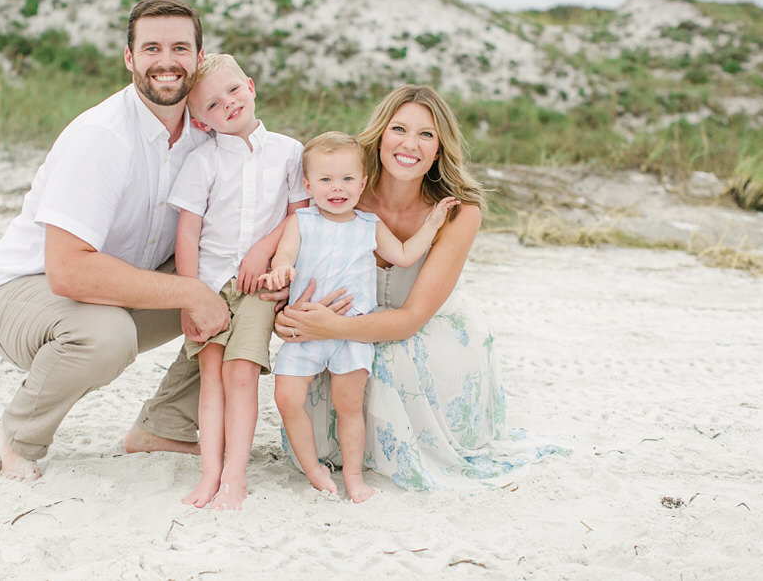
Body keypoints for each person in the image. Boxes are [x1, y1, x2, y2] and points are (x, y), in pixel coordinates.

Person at [0, 0, 287, 481]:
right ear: (130, 58)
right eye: (152, 48)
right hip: (26, 292)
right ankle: (20, 437)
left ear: (198, 58)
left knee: (244, 290)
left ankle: (164, 426)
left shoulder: (207, 134)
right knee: (107, 337)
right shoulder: (102, 137)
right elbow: (68, 271)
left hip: (119, 285)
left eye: (180, 47)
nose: (167, 61)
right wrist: (190, 292)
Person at [274, 85, 565, 491]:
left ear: (440, 147)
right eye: (399, 129)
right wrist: (289, 320)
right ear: (379, 135)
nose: (410, 144)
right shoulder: (340, 190)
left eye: (426, 134)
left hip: (425, 331)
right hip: (342, 327)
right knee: (311, 406)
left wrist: (330, 328)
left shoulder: (459, 210)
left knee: (385, 365)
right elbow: (295, 270)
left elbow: (411, 318)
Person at [260, 131, 456, 502]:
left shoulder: (369, 225)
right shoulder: (301, 221)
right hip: (305, 329)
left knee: (348, 405)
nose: (338, 188)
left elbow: (403, 255)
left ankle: (353, 474)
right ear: (308, 184)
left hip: (351, 332)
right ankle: (313, 468)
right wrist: (280, 271)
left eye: (348, 179)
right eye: (326, 179)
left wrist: (431, 225)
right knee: (287, 397)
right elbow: (284, 257)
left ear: (363, 182)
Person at [170, 53, 309, 509]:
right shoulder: (202, 160)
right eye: (211, 105)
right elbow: (187, 232)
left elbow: (298, 215)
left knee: (242, 374)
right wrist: (190, 298)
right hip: (209, 284)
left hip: (257, 286)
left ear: (250, 86)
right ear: (202, 122)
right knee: (211, 376)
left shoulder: (289, 152)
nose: (227, 104)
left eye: (232, 91)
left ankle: (236, 476)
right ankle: (209, 474)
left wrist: (263, 248)